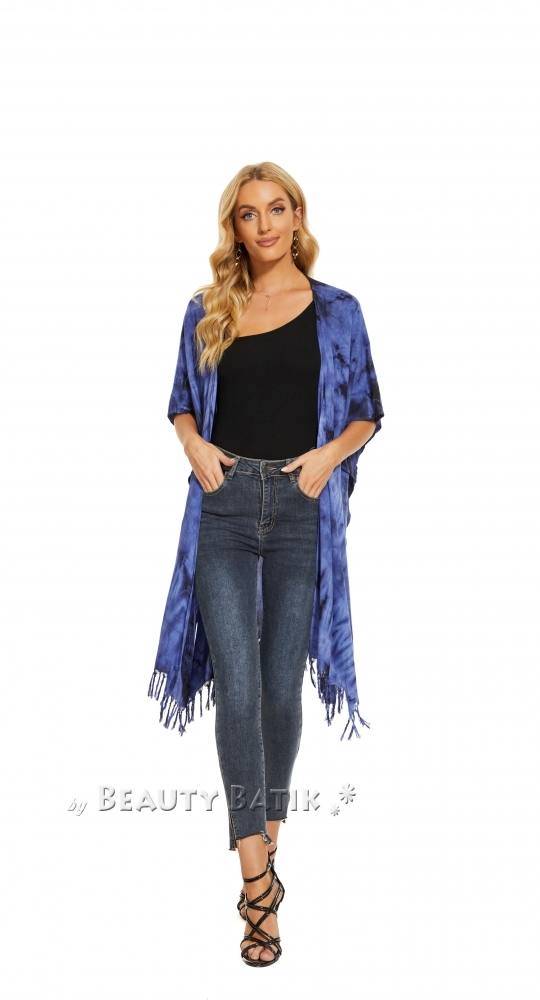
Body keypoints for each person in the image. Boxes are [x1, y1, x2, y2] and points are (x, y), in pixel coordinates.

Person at [149, 162, 384, 966]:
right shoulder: (207, 307)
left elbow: (366, 412)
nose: (265, 225)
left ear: (296, 215)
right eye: (248, 214)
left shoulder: (337, 310)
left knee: (281, 691)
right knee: (239, 689)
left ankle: (263, 865)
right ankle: (258, 886)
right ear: (235, 228)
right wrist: (191, 443)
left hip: (299, 505)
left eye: (276, 209)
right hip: (222, 504)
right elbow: (181, 400)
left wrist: (326, 458)